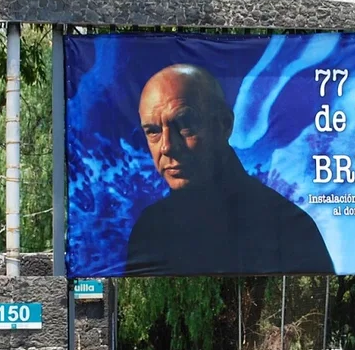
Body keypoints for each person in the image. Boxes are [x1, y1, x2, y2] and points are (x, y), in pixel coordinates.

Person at [126, 63, 334, 275]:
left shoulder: (290, 230)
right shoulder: (149, 230)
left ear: (224, 124)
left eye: (184, 124)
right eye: (153, 131)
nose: (167, 146)